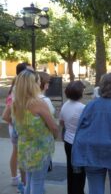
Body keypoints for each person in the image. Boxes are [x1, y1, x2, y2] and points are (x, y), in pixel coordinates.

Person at [12, 69, 58, 194]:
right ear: (33, 84)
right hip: (40, 149)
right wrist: (55, 135)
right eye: (38, 80)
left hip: (24, 147)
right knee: (37, 182)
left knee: (29, 181)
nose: (39, 83)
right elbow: (53, 126)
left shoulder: (16, 103)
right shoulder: (38, 103)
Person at [1, 62, 32, 190]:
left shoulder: (22, 87)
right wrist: (15, 123)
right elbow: (6, 115)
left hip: (20, 126)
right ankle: (18, 179)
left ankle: (22, 180)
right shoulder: (17, 90)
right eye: (30, 71)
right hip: (18, 127)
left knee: (21, 152)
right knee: (18, 152)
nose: (33, 74)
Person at [60, 81, 86, 194]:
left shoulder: (65, 105)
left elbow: (61, 122)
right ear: (80, 93)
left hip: (68, 141)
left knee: (71, 170)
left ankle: (71, 191)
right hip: (78, 143)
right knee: (79, 173)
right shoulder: (82, 108)